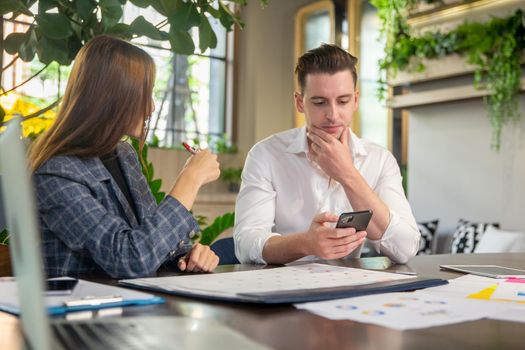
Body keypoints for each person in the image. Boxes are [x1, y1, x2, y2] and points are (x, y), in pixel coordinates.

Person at [29, 36, 220, 278]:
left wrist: (188, 255)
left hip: (133, 305)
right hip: (76, 310)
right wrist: (190, 179)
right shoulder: (55, 172)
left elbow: (151, 240)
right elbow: (129, 259)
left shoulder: (123, 154)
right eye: (144, 95)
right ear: (112, 98)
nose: (151, 108)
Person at [234, 44, 420, 265]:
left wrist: (347, 174)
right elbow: (245, 244)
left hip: (348, 291)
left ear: (356, 100)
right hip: (281, 289)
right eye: (320, 102)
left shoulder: (380, 160)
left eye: (343, 101)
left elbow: (406, 248)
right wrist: (305, 243)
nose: (333, 115)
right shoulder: (265, 155)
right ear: (299, 102)